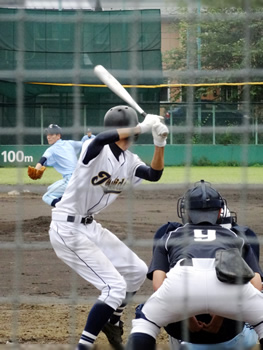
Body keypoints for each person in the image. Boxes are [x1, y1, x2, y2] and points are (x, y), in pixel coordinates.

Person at [48, 105, 169, 350]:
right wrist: (143, 126)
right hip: (66, 227)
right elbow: (103, 138)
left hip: (90, 226)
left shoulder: (129, 160)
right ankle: (84, 345)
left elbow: (154, 174)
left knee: (136, 271)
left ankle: (112, 321)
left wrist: (159, 142)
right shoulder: (94, 149)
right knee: (114, 287)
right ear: (130, 130)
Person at [126, 180, 263, 350]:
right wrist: (225, 310)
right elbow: (256, 285)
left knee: (145, 320)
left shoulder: (170, 235)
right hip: (227, 289)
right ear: (220, 211)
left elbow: (158, 285)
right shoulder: (235, 236)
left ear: (187, 213)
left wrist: (187, 314)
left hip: (183, 279)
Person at [27, 124, 83, 207]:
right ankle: (70, 202)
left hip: (70, 180)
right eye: (48, 135)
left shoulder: (51, 149)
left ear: (58, 136)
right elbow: (86, 144)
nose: (48, 137)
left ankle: (65, 209)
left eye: (51, 134)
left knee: (47, 197)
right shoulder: (69, 143)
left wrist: (36, 169)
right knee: (50, 189)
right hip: (82, 178)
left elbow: (42, 160)